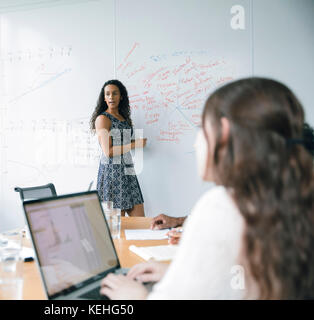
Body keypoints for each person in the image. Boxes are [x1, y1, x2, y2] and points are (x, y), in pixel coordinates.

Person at [100, 77, 314, 299]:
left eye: (201, 128)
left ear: (223, 133)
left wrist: (135, 296)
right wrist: (181, 274)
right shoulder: (287, 196)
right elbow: (243, 279)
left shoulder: (222, 206)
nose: (195, 143)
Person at [90, 79, 147, 216]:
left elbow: (120, 141)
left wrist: (135, 141)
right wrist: (135, 145)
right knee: (118, 227)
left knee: (141, 223)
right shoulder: (102, 119)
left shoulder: (123, 117)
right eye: (107, 94)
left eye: (114, 93)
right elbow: (108, 151)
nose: (111, 97)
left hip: (128, 172)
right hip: (112, 175)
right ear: (104, 98)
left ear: (121, 96)